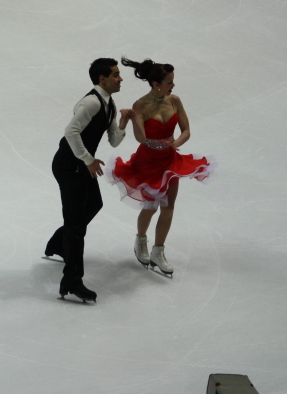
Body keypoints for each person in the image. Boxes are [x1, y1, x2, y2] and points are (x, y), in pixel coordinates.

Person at [106, 57, 216, 277]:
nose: (173, 85)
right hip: (148, 161)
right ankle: (141, 242)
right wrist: (133, 119)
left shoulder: (175, 100)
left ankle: (158, 251)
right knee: (150, 206)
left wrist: (176, 143)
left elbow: (186, 130)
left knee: (168, 206)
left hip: (169, 160)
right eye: (169, 82)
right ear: (156, 84)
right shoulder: (141, 105)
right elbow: (141, 138)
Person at [45, 58, 134, 302]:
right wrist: (88, 159)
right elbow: (71, 132)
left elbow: (114, 140)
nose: (120, 78)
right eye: (116, 75)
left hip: (81, 166)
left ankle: (59, 244)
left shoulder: (109, 104)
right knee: (76, 226)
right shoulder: (91, 102)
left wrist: (123, 123)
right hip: (68, 166)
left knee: (93, 204)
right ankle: (71, 282)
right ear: (102, 79)